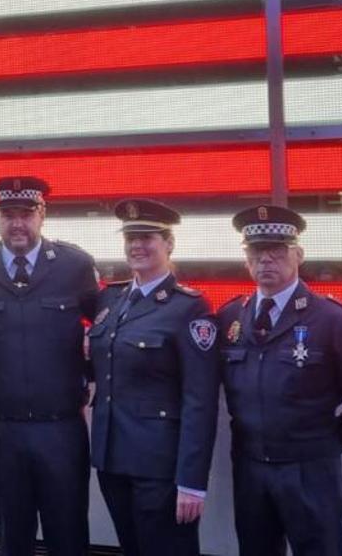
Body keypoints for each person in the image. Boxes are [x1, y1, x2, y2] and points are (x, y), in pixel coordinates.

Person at [218, 205, 342, 556]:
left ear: (299, 254)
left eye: (277, 250)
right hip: (251, 471)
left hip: (310, 472)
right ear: (246, 259)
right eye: (256, 251)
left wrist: (324, 442)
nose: (266, 259)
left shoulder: (332, 319)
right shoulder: (231, 317)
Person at [0, 176, 98, 556]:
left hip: (62, 430)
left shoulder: (75, 265)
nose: (17, 223)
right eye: (8, 214)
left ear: (42, 214)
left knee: (68, 536)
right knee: (12, 538)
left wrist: (91, 379)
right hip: (5, 431)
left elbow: (105, 332)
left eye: (26, 213)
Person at [84, 199, 221, 556]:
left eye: (147, 237)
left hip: (160, 468)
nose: (137, 246)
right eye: (130, 237)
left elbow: (200, 400)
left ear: (169, 244)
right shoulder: (110, 301)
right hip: (113, 460)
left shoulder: (188, 307)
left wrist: (192, 482)